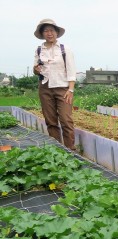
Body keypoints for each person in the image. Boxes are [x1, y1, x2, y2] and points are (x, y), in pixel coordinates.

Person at [32, 18, 77, 151]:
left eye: (52, 30)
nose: (49, 33)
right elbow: (35, 69)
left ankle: (70, 151)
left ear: (57, 33)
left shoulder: (64, 49)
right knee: (50, 121)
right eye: (46, 31)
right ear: (42, 34)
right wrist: (36, 69)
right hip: (45, 88)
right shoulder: (39, 50)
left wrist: (71, 89)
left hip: (63, 88)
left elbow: (71, 70)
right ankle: (56, 151)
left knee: (65, 120)